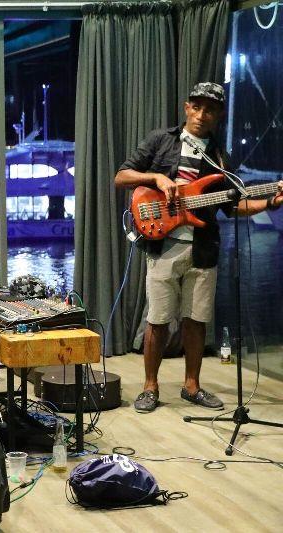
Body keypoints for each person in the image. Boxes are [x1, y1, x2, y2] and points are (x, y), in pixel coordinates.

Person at [115, 82, 283, 413]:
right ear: (187, 107)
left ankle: (192, 385)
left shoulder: (220, 157)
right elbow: (122, 176)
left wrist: (269, 203)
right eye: (197, 106)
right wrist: (156, 179)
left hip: (203, 249)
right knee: (158, 319)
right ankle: (150, 386)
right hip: (164, 244)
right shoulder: (161, 140)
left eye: (210, 109)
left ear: (219, 115)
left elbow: (232, 205)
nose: (202, 114)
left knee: (197, 319)